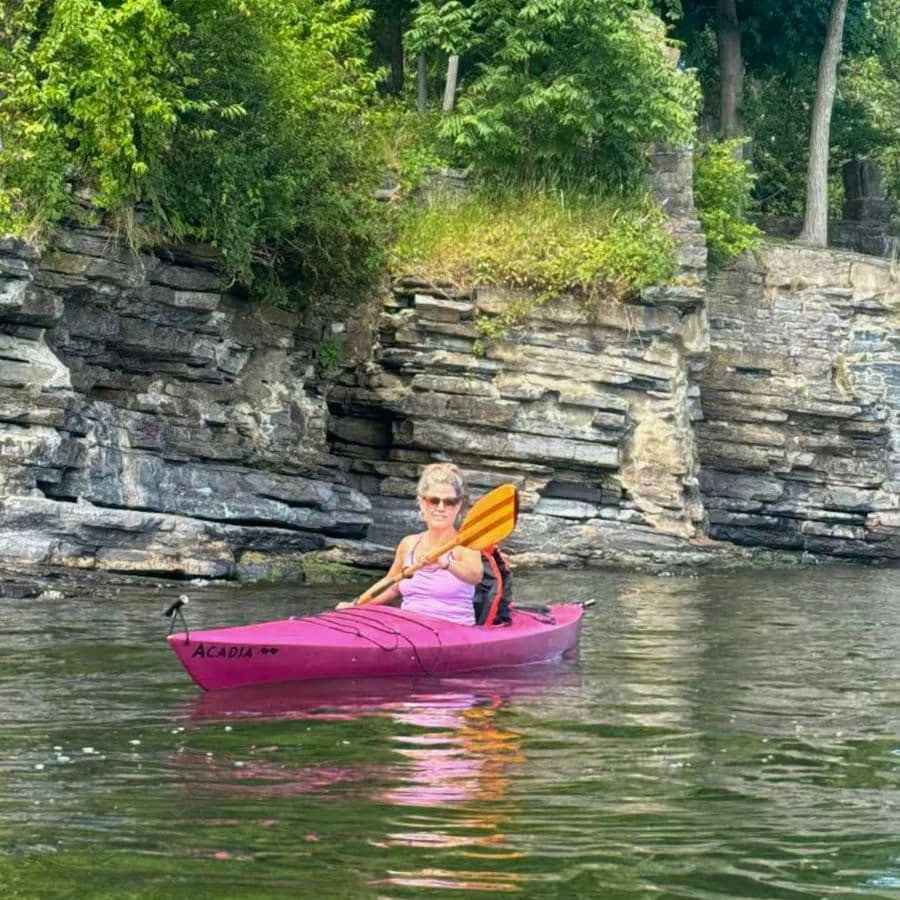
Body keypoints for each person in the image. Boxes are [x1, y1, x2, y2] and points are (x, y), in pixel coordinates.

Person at [337, 463, 484, 624]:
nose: (441, 508)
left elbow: (475, 576)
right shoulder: (408, 544)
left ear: (459, 505)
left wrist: (446, 563)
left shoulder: (466, 545)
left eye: (449, 502)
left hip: (454, 631)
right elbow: (391, 584)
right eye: (433, 501)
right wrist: (355, 605)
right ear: (422, 502)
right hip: (410, 630)